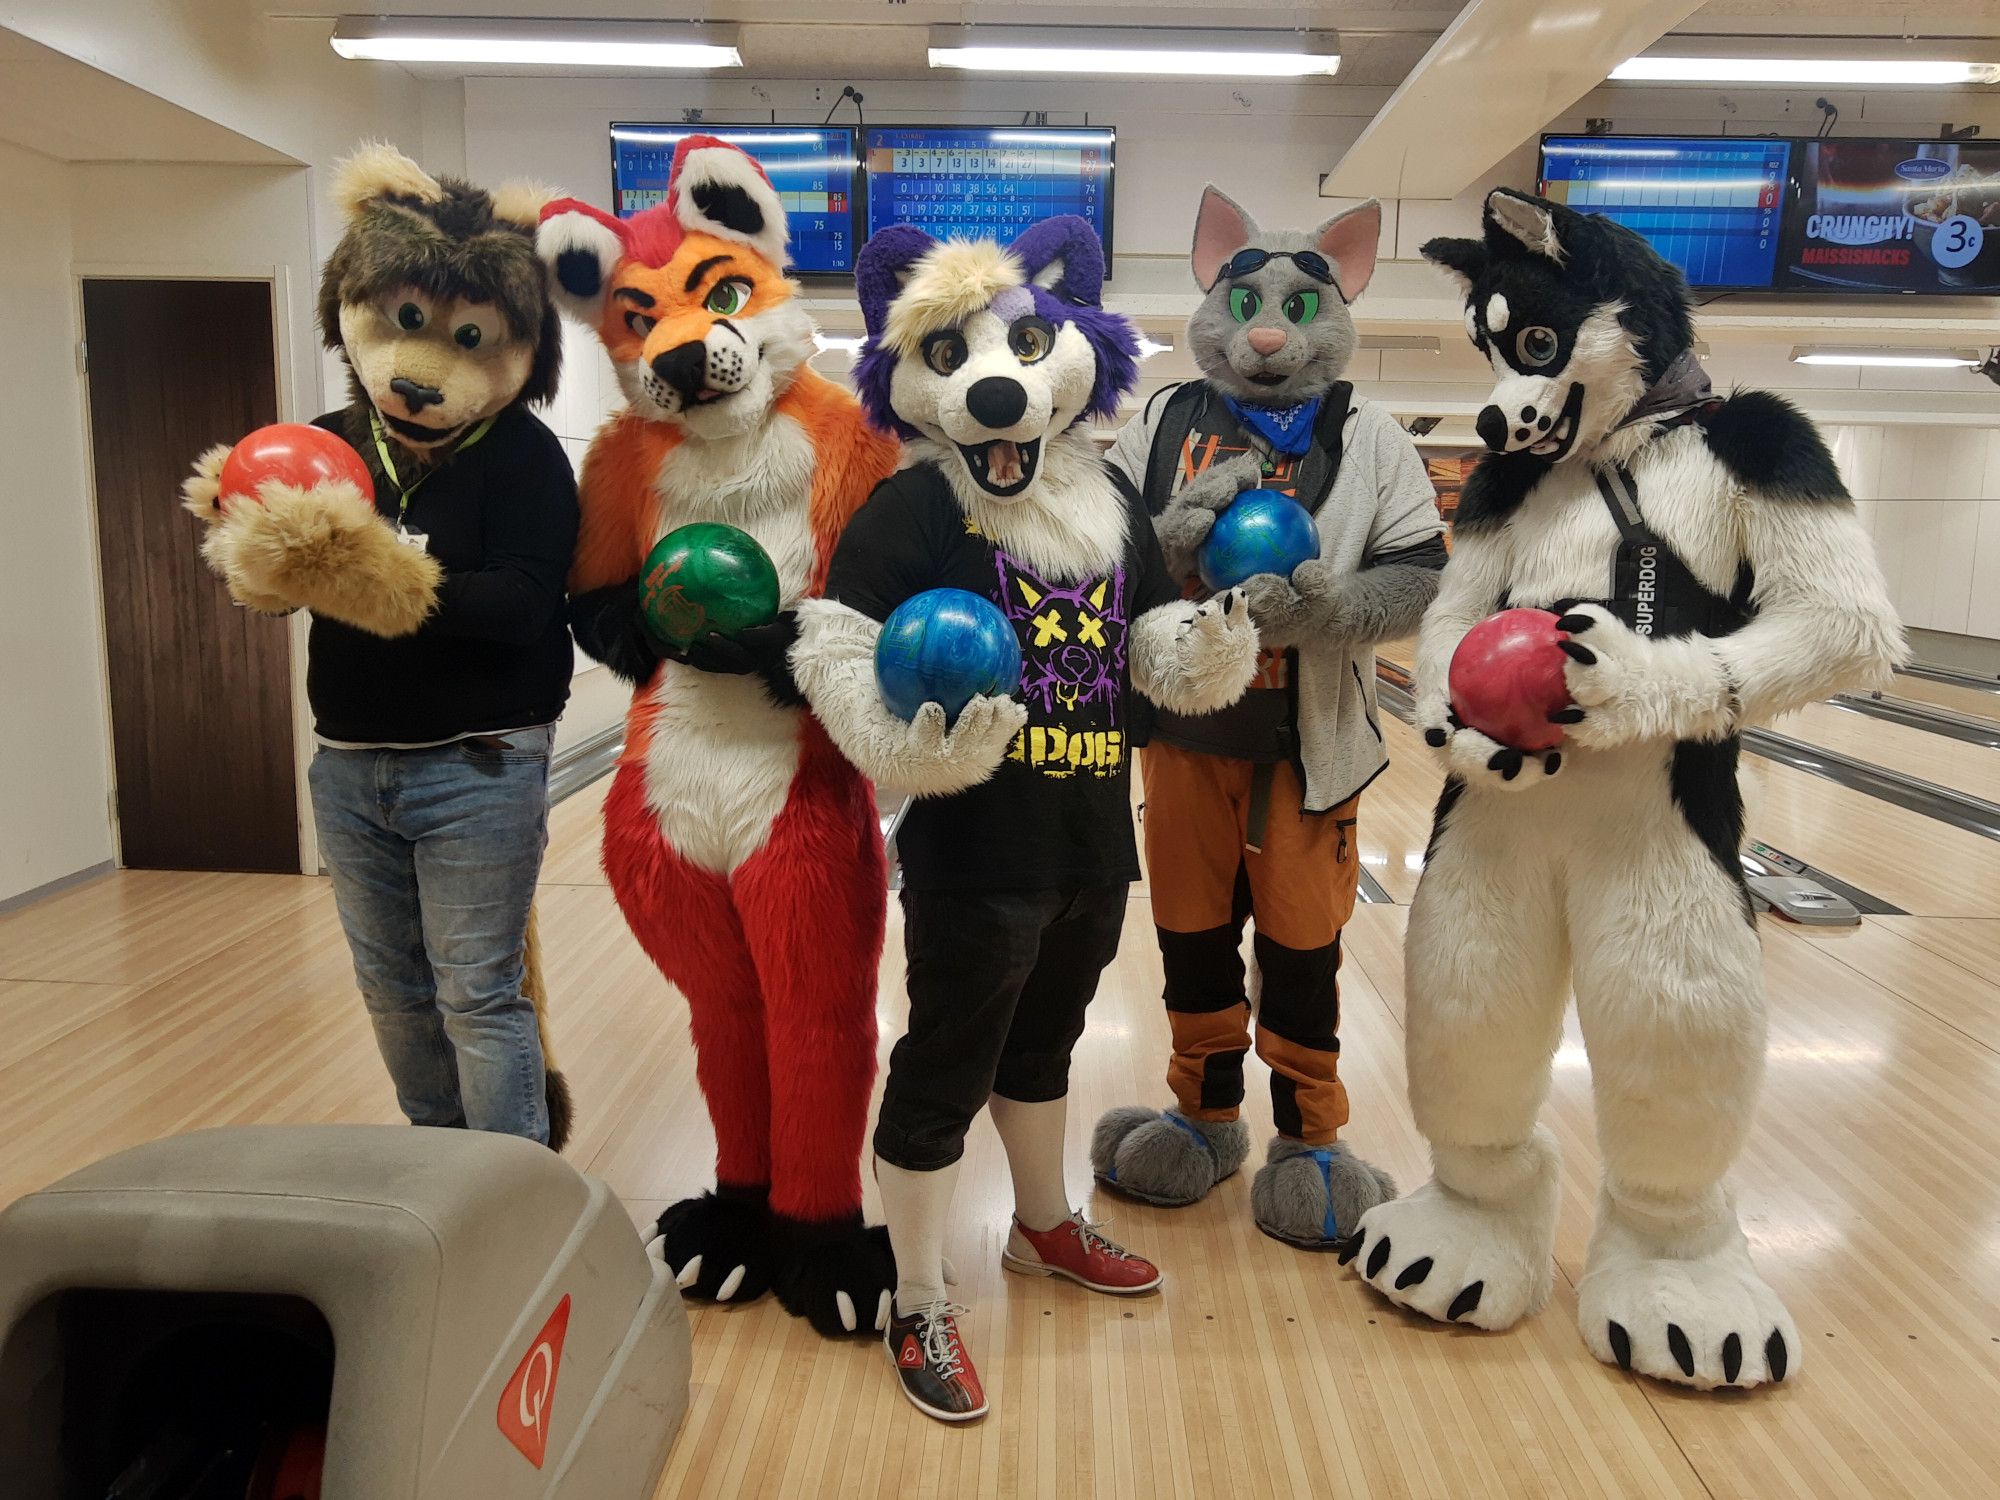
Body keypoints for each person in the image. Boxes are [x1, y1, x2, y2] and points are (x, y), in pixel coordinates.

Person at [186, 146, 576, 1146]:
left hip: (479, 763)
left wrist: (374, 575)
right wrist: (262, 563)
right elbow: (279, 601)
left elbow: (525, 606)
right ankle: (441, 1171)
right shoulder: (324, 443)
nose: (420, 368)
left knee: (477, 992)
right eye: (405, 325)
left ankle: (516, 1199)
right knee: (393, 991)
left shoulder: (527, 459)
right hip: (350, 768)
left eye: (468, 337)